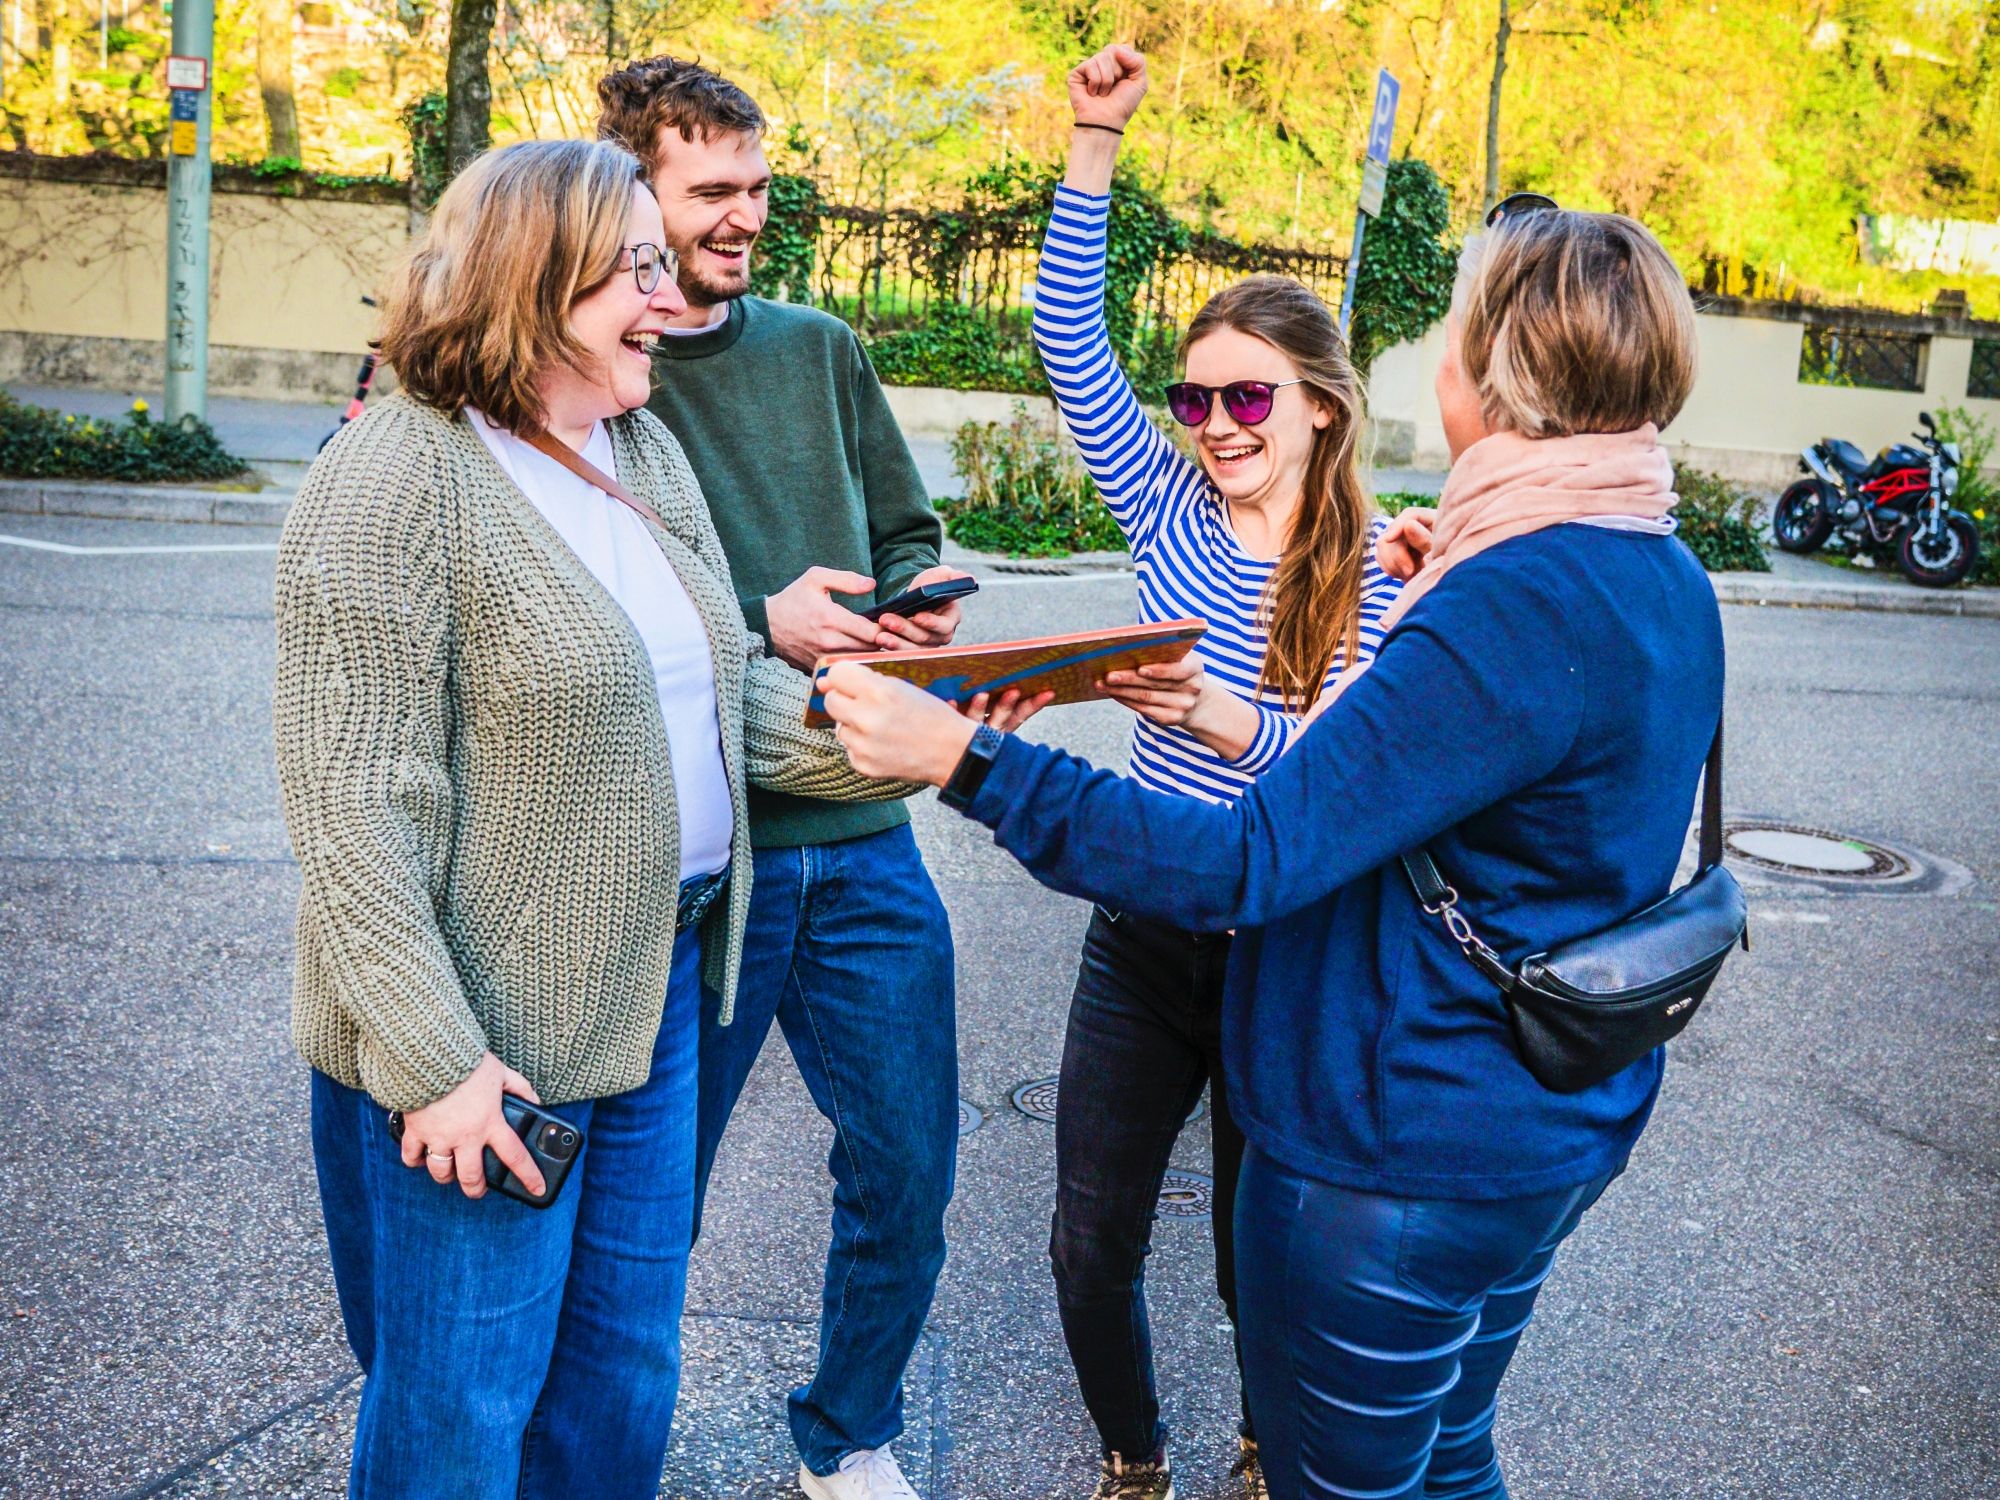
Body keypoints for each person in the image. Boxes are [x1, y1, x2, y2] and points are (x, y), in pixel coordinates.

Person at [819, 199, 1718, 1500]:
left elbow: (1248, 862)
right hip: (1546, 1124)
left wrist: (964, 759)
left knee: (1342, 1475)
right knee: (1445, 1456)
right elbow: (1516, 810)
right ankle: (1143, 1459)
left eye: (1457, 335)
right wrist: (1439, 603)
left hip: (1410, 1144)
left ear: (1491, 373)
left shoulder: (1499, 601)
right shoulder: (1657, 571)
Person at [273, 138, 914, 1500]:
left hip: (656, 994)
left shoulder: (639, 448)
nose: (670, 298)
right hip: (482, 1039)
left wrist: (936, 743)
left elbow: (719, 702)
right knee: (458, 1411)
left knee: (620, 1384)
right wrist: (437, 1060)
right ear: (529, 280)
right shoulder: (398, 473)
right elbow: (351, 805)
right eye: (635, 269)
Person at [595, 57, 970, 1500]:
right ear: (631, 195)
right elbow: (596, 596)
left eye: (759, 186)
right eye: (713, 192)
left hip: (864, 831)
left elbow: (904, 529)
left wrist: (917, 594)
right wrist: (765, 616)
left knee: (907, 1174)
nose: (748, 215)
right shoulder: (599, 373)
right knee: (650, 1195)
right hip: (704, 852)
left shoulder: (818, 348)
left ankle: (849, 1437)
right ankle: (599, 1442)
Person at [1031, 44, 1399, 1500]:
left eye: (1248, 402)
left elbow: (1358, 776)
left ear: (1320, 404)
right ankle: (1135, 1461)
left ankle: (1265, 1447)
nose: (1217, 430)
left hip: (1290, 944)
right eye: (1196, 402)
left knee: (1265, 1259)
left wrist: (1224, 719)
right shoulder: (1171, 507)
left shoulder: (1382, 572)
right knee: (1086, 1236)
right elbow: (1068, 342)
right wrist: (1093, 139)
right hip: (1144, 925)